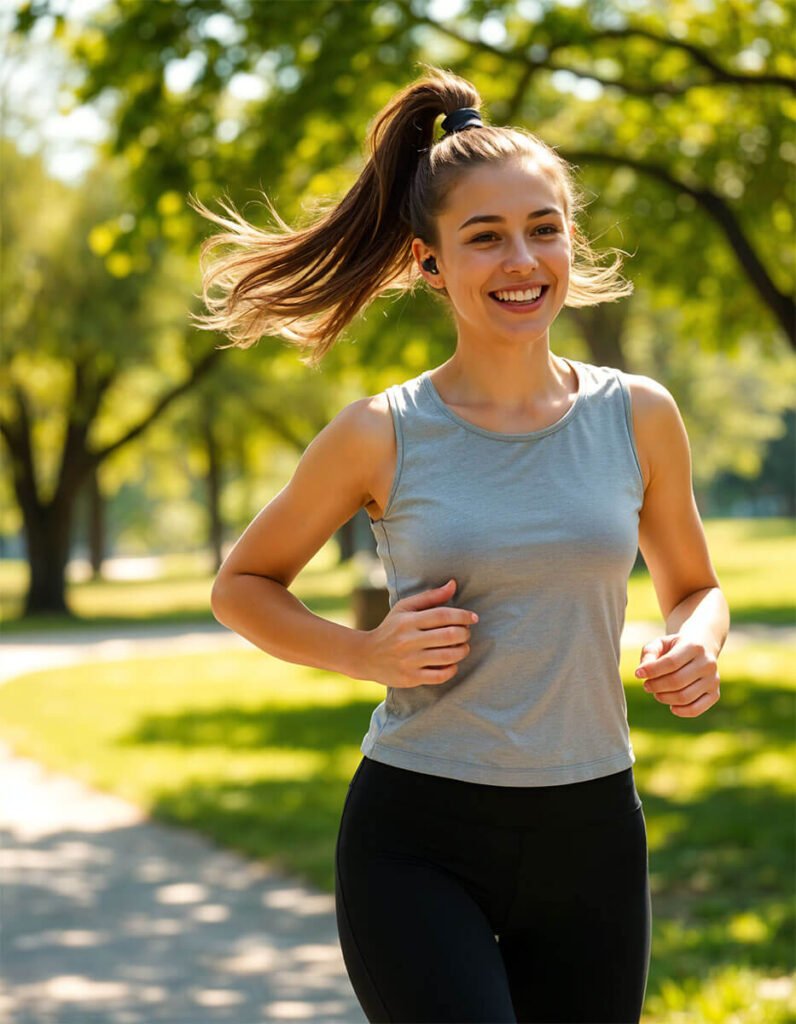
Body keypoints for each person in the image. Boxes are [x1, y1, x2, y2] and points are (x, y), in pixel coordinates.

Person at [191, 64, 730, 1024]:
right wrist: (362, 652)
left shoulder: (640, 416)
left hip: (593, 828)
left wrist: (698, 641)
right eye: (484, 237)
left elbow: (695, 587)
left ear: (570, 239)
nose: (522, 260)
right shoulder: (379, 432)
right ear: (430, 262)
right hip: (417, 833)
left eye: (544, 228)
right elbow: (244, 585)